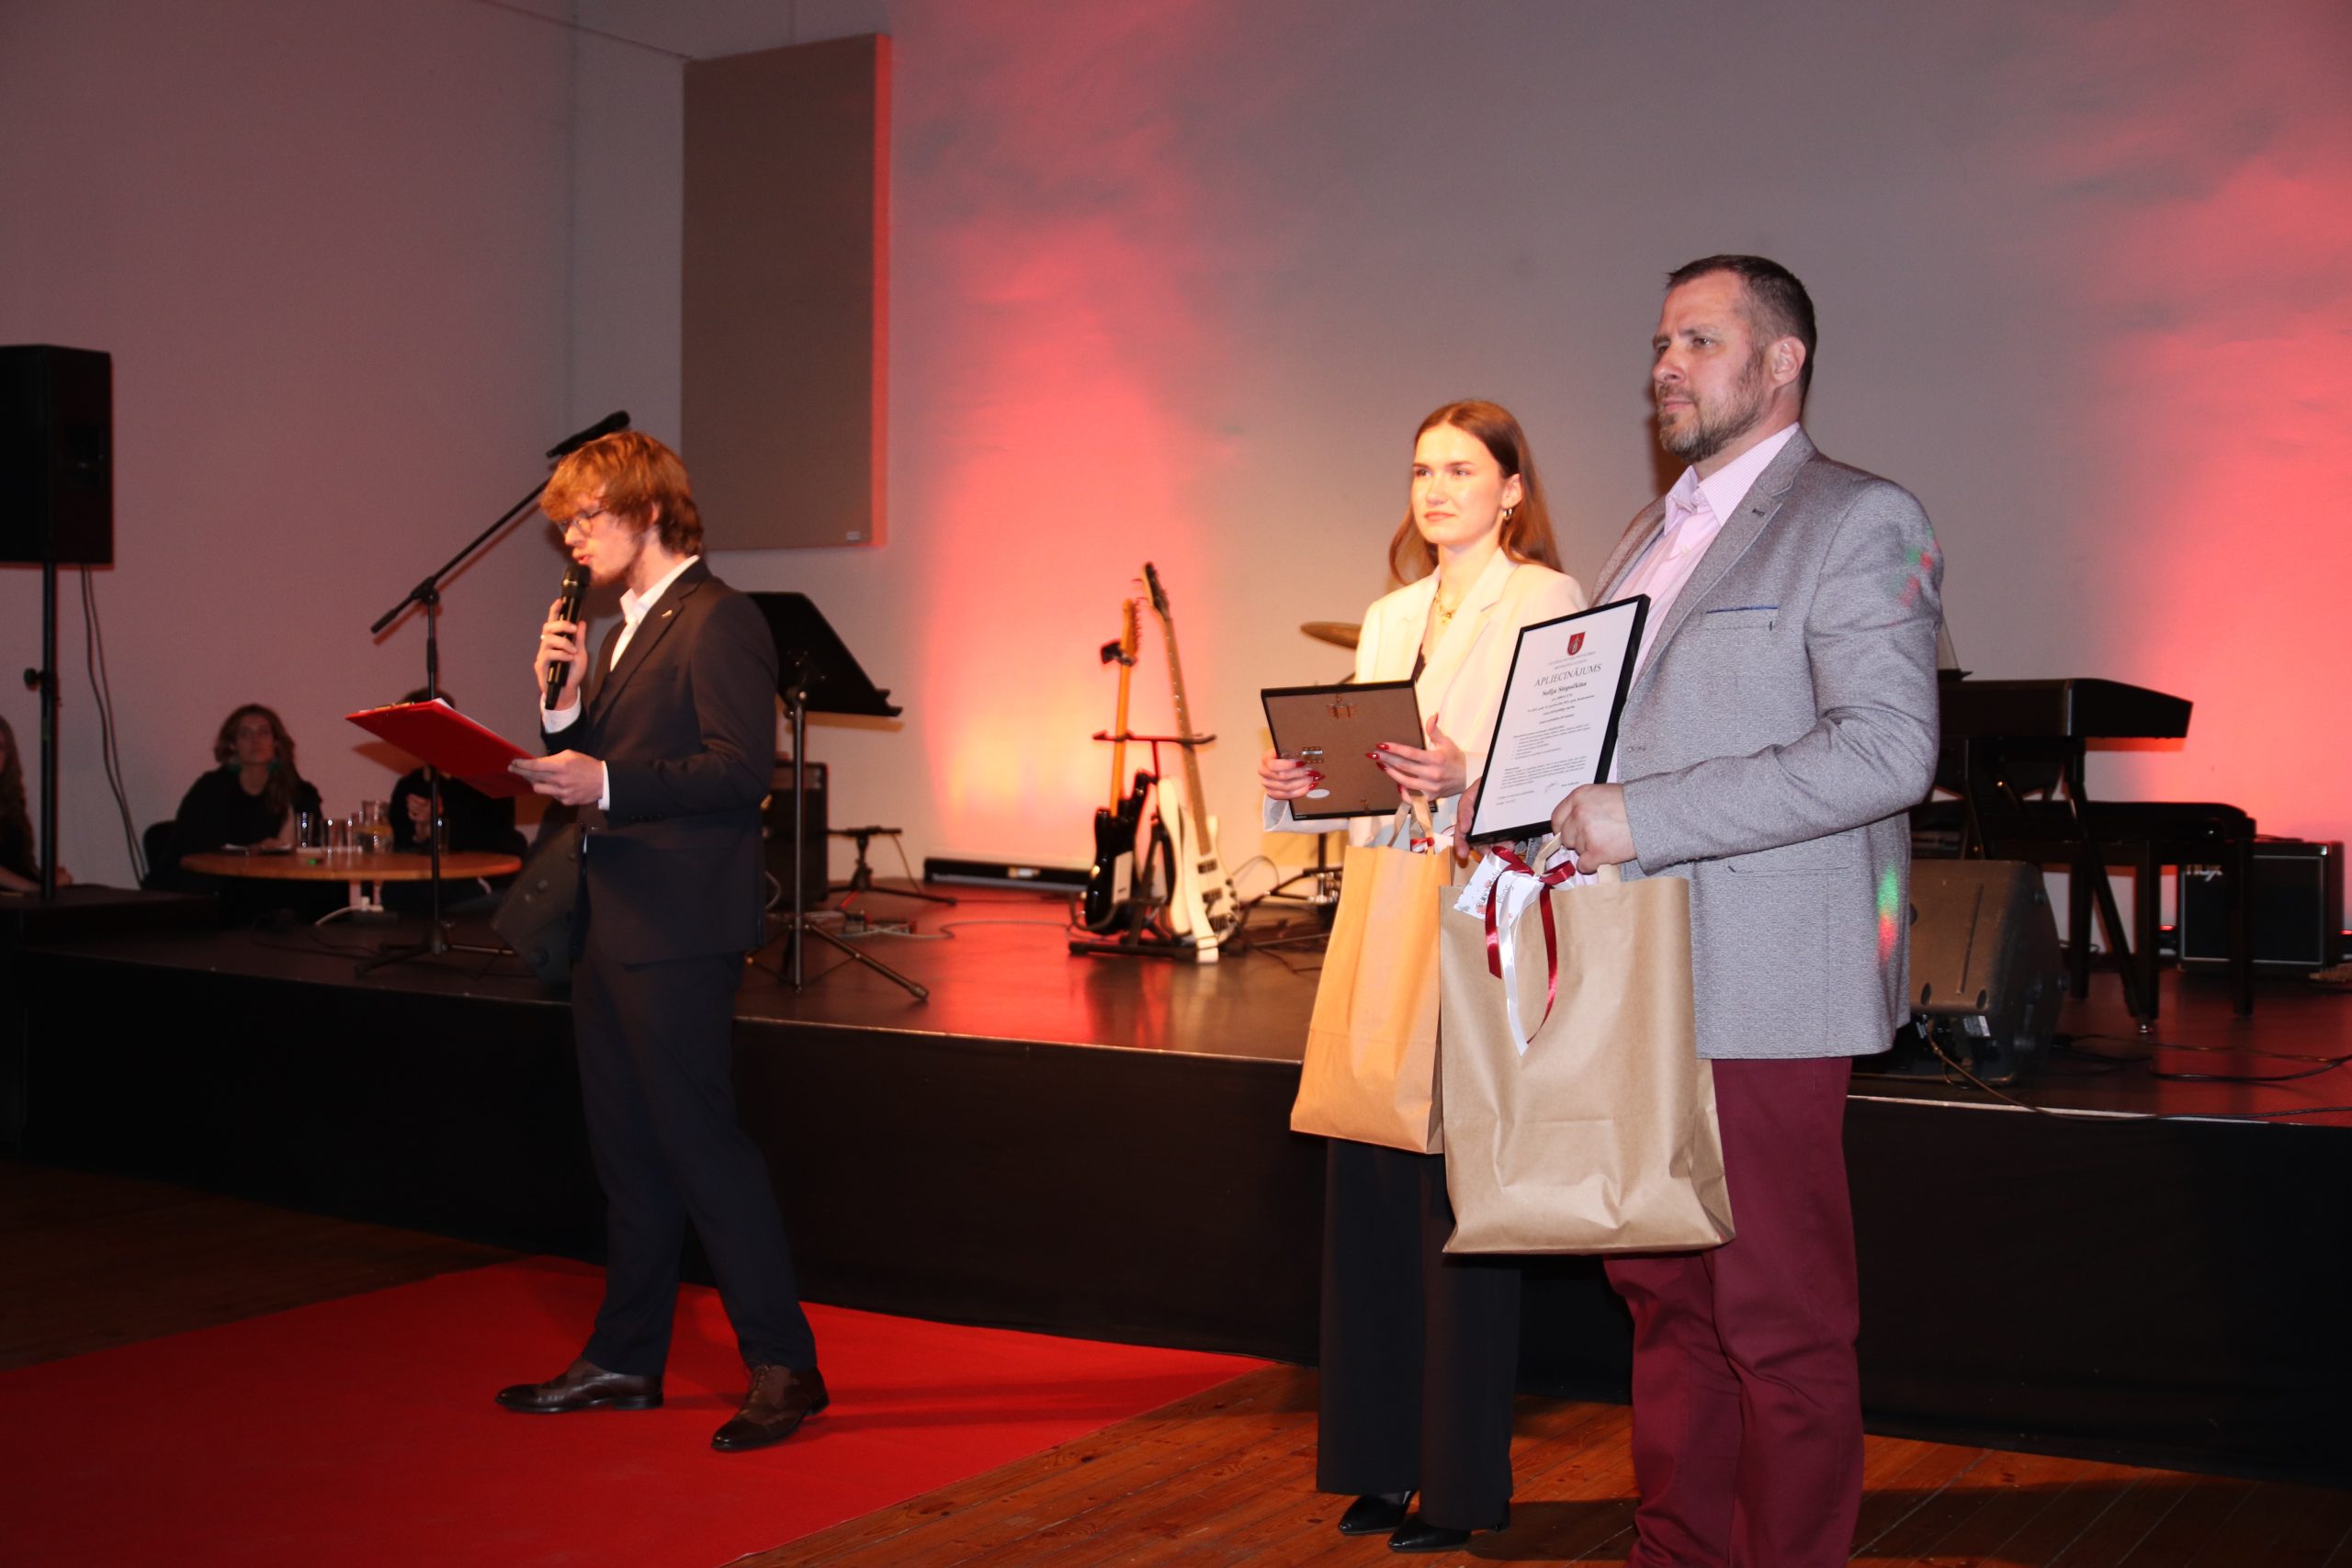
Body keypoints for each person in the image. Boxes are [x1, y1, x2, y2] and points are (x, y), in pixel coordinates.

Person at [1546, 256, 1942, 1566]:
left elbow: (1888, 749)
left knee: (1780, 1319)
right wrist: (1494, 788)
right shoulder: (1645, 532)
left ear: (1782, 362)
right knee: (1664, 1304)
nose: (1667, 364)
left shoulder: (1858, 516)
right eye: (1661, 342)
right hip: (1637, 971)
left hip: (1770, 976)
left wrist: (1646, 815)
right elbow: (1608, 737)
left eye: (1700, 341)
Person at [1261, 400, 1585, 1552]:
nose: (1436, 489)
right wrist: (1299, 787)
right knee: (1369, 1185)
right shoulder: (1391, 613)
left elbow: (1563, 763)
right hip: (1383, 912)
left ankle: (1457, 1483)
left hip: (1479, 914)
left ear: (1511, 489)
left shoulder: (1544, 598)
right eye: (1420, 471)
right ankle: (1375, 1460)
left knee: (1456, 1203)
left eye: (1460, 469)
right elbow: (1365, 780)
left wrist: (1464, 773)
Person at [499, 431, 821, 1453]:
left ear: (646, 511)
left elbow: (740, 771)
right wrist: (562, 706)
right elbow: (597, 770)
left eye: (585, 517)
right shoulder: (623, 631)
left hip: (679, 926)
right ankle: (626, 1357)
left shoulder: (719, 618)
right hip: (613, 918)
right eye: (565, 523)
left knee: (700, 1146)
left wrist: (604, 779)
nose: (572, 537)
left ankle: (785, 1365)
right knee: (628, 1156)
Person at [173, 704, 322, 856]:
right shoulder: (210, 790)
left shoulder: (297, 791)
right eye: (245, 734)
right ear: (232, 745)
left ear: (276, 743)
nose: (255, 740)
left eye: (263, 732)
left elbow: (314, 848)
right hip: (219, 870)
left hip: (277, 871)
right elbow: (192, 847)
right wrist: (254, 850)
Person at [0, 714, 72, 894]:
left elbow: (16, 864)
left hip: (19, 899)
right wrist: (37, 888)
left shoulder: (10, 801)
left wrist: (46, 877)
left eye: (0, 748)